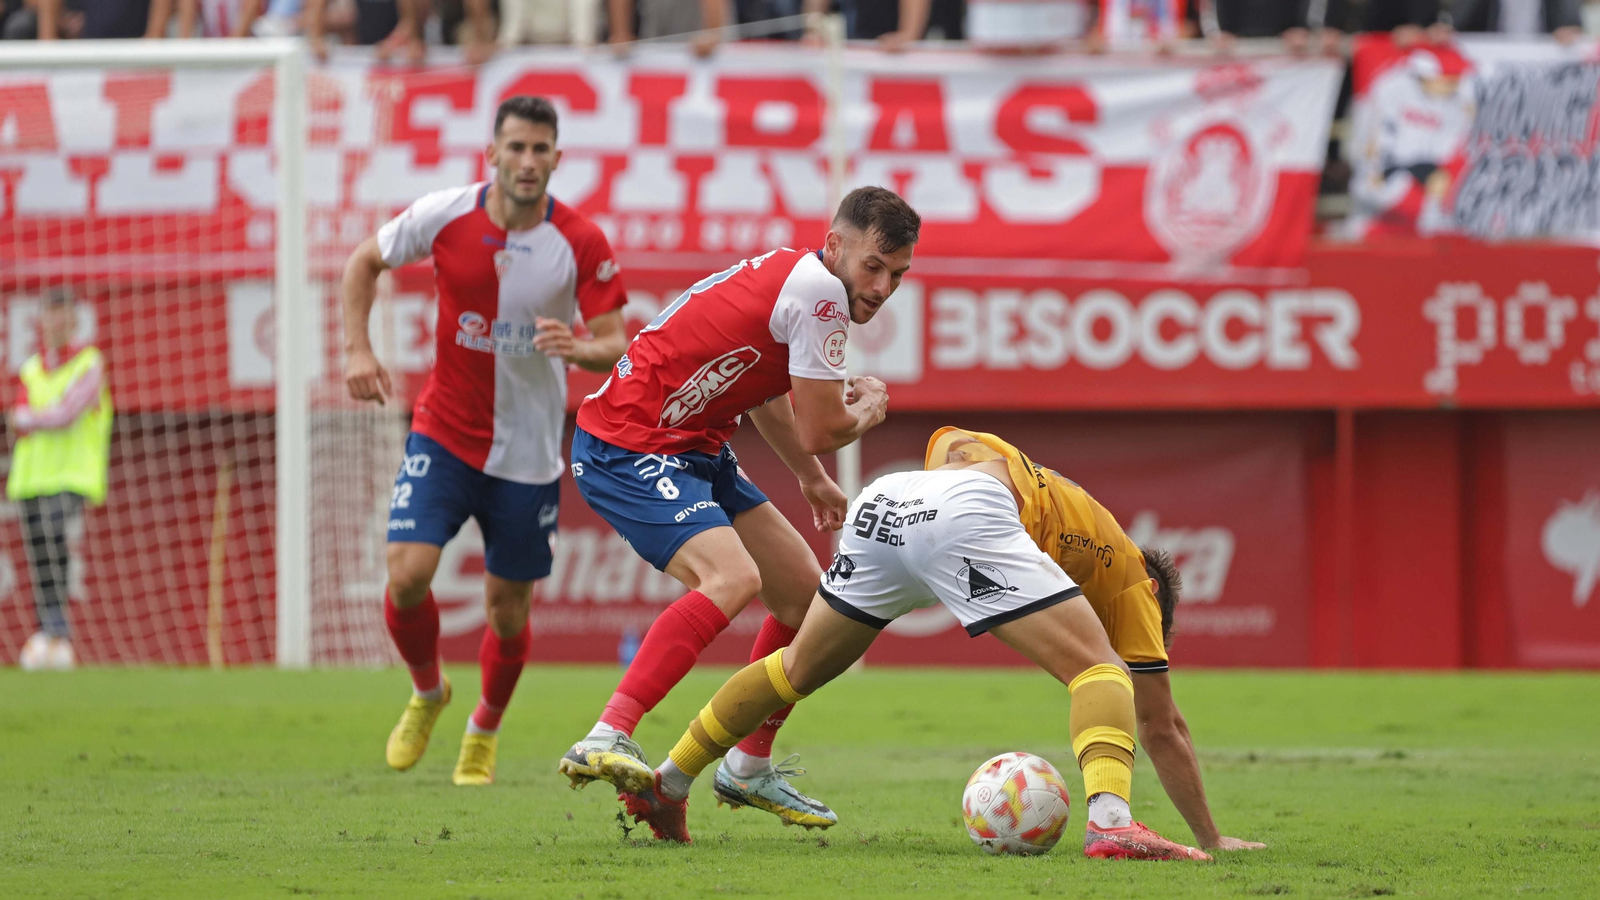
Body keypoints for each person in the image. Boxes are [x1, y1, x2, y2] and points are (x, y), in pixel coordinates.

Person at [615, 426, 1266, 859]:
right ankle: (1111, 822)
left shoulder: (1034, 485)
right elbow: (1163, 726)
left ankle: (667, 783)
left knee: (794, 669)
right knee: (1102, 672)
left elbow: (953, 448)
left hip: (890, 501)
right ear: (1156, 593)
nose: (1145, 639)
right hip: (969, 512)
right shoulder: (1133, 585)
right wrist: (1212, 836)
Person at [556, 187, 918, 830]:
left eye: (898, 274)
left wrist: (810, 479)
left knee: (807, 600)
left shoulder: (800, 281)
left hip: (694, 445)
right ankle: (607, 734)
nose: (885, 287)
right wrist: (870, 405)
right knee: (732, 576)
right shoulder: (820, 294)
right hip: (628, 442)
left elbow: (764, 398)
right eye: (875, 266)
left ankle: (743, 766)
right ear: (835, 246)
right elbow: (823, 426)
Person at [340, 95, 628, 786]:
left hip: (526, 455)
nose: (528, 162)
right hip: (443, 434)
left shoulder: (581, 241)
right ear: (492, 154)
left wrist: (581, 349)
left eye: (541, 150)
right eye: (516, 148)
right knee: (407, 575)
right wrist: (357, 350)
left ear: (557, 159)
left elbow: (618, 341)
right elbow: (363, 262)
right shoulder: (444, 215)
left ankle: (483, 731)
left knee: (508, 611)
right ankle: (429, 691)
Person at [8, 289, 112, 672]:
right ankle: (47, 628)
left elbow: (66, 413)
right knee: (37, 547)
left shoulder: (89, 362)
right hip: (32, 476)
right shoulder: (32, 368)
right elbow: (17, 415)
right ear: (41, 321)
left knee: (54, 531)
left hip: (74, 473)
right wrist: (31, 418)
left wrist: (32, 418)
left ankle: (56, 621)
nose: (56, 322)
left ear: (73, 321)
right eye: (49, 315)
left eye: (63, 315)